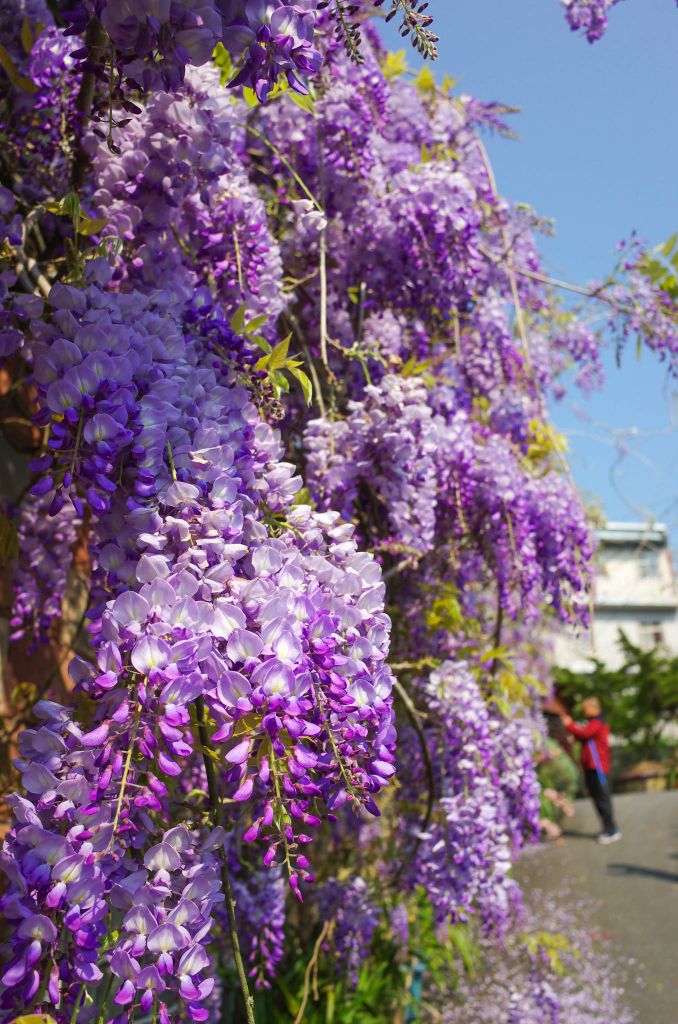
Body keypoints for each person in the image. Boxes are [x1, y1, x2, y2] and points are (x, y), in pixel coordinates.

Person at [561, 697, 621, 845]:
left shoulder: (597, 723)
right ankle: (607, 828)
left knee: (602, 798)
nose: (584, 710)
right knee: (596, 797)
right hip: (590, 766)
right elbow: (581, 737)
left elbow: (584, 734)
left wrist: (569, 724)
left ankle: (611, 829)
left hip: (598, 767)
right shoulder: (592, 723)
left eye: (586, 707)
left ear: (595, 708)